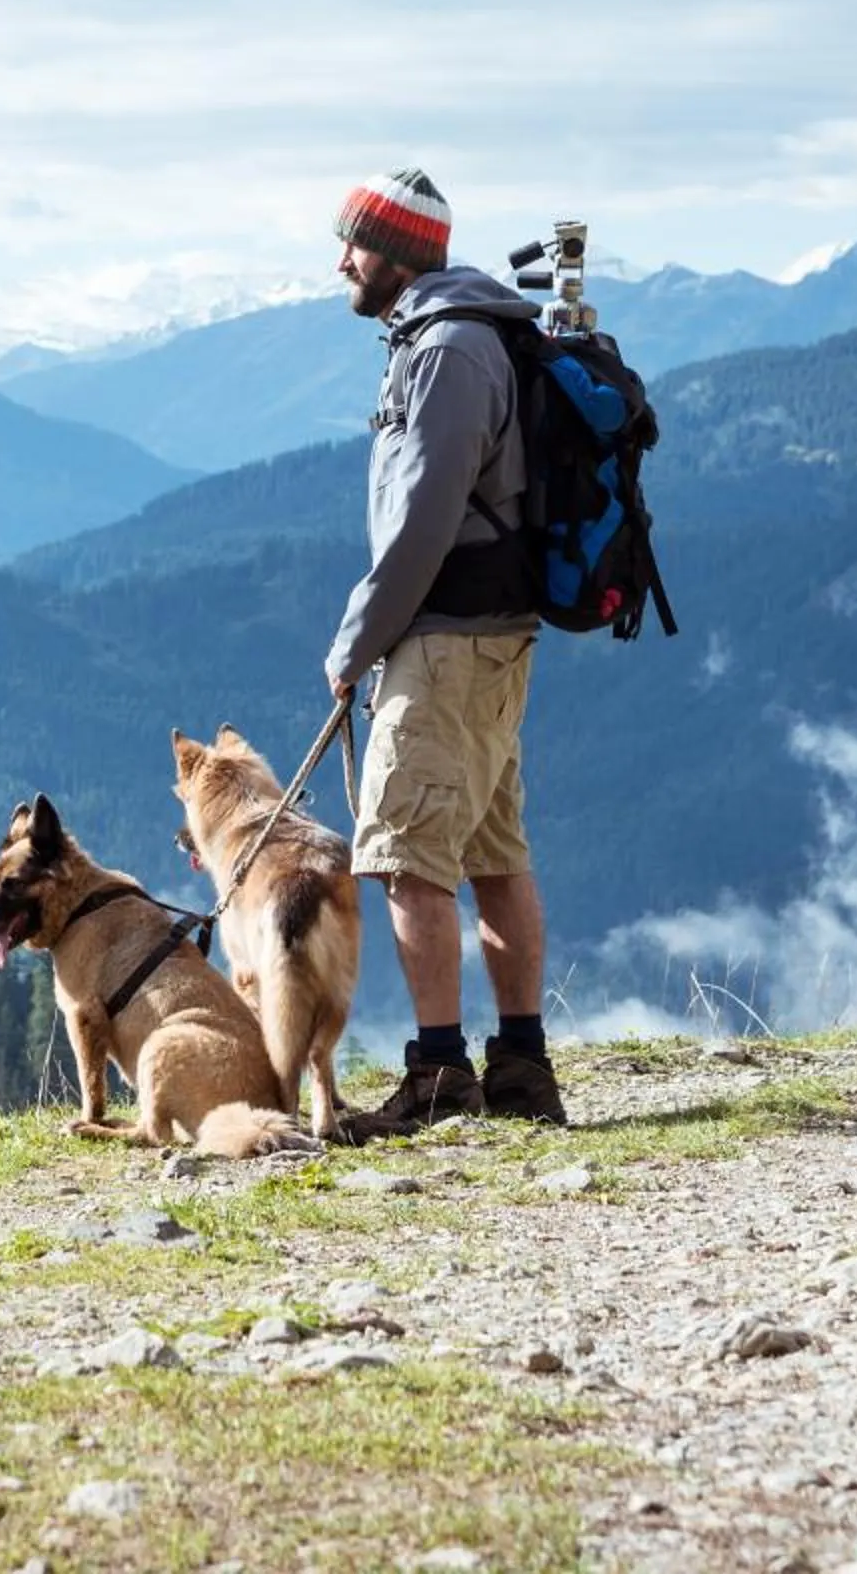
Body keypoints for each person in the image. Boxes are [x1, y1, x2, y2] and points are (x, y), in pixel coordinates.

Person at [320, 167, 569, 1137]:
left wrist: (356, 641)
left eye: (355, 243)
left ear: (398, 252)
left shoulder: (448, 350)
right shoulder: (461, 334)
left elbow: (423, 521)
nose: (342, 261)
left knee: (409, 857)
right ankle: (521, 1068)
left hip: (447, 640)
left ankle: (439, 1073)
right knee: (493, 849)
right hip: (486, 637)